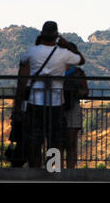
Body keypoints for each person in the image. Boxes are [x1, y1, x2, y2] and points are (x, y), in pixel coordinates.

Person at [18, 21, 85, 168]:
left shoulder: (32, 51)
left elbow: (22, 62)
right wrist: (66, 44)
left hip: (35, 102)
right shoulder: (63, 53)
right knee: (55, 140)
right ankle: (52, 170)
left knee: (34, 140)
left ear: (41, 35)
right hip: (56, 103)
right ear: (56, 36)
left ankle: (35, 170)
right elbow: (81, 60)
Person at [63, 66, 88, 169]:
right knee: (71, 144)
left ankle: (54, 170)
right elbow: (86, 91)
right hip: (72, 107)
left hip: (57, 107)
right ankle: (70, 171)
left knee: (57, 143)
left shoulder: (54, 69)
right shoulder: (79, 73)